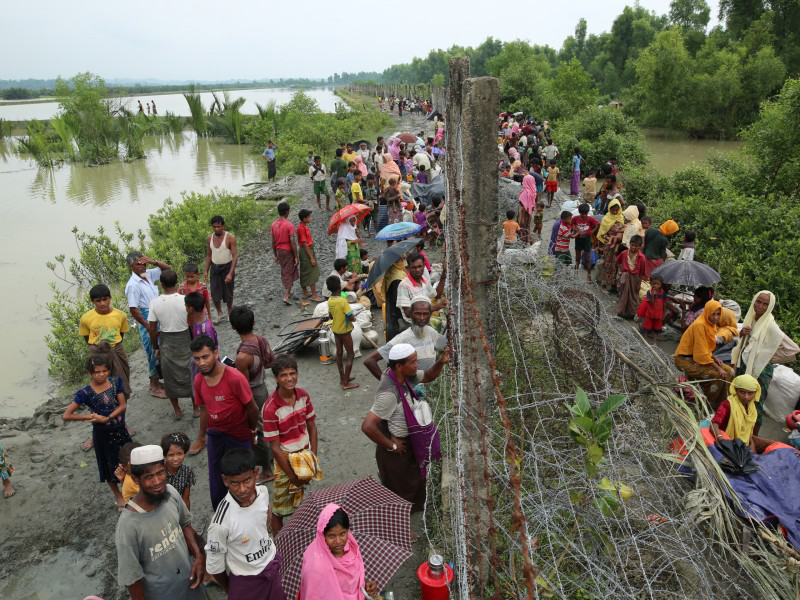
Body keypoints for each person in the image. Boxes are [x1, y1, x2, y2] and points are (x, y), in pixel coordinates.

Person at [361, 343, 449, 511]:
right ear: (399, 366)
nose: (417, 365)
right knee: (399, 491)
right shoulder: (389, 393)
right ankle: (400, 528)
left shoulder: (405, 377)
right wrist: (392, 445)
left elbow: (429, 376)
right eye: (413, 362)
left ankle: (411, 514)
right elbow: (368, 426)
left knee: (412, 483)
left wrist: (441, 362)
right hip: (397, 450)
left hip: (408, 444)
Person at [115, 445, 206, 600]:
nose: (157, 482)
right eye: (149, 477)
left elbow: (185, 525)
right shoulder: (128, 526)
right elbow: (132, 578)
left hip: (190, 582)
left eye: (160, 473)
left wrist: (198, 556)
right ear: (136, 479)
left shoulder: (170, 492)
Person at [190, 335, 260, 510]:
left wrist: (252, 431)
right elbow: (204, 409)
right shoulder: (199, 380)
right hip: (215, 434)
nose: (201, 363)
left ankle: (250, 510)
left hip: (238, 433)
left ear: (215, 353)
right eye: (197, 359)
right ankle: (221, 512)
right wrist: (201, 436)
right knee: (217, 475)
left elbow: (252, 409)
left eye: (205, 357)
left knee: (244, 474)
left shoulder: (234, 378)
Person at [205, 449, 284, 599]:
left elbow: (265, 520)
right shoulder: (220, 523)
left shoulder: (262, 491)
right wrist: (231, 589)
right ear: (225, 480)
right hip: (246, 581)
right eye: (235, 483)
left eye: (247, 480)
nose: (242, 489)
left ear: (256, 473)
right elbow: (215, 566)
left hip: (271, 566)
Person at [63, 356, 132, 509]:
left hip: (120, 430)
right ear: (89, 373)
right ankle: (118, 496)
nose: (102, 375)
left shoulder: (115, 382)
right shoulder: (85, 393)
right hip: (103, 436)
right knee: (109, 466)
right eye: (97, 372)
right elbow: (66, 415)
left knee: (129, 461)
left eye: (105, 370)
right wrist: (89, 416)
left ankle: (130, 489)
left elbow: (122, 405)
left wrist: (107, 418)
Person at [262, 354, 321, 533]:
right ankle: (279, 547)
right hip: (285, 459)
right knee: (279, 510)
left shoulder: (303, 396)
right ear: (276, 379)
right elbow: (275, 448)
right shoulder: (271, 408)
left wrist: (312, 458)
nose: (289, 378)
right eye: (284, 375)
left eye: (292, 373)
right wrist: (292, 475)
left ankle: (296, 538)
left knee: (299, 502)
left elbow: (312, 427)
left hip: (304, 455)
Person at [731, 291, 799, 434]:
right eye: (758, 301)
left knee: (755, 402)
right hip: (745, 363)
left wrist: (772, 356)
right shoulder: (752, 318)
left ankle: (753, 436)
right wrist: (743, 334)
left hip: (760, 369)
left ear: (770, 307)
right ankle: (738, 430)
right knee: (740, 397)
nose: (760, 306)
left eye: (765, 304)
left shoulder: (770, 325)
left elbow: (793, 348)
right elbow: (746, 343)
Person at [230, 305, 275, 482]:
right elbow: (271, 361)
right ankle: (270, 458)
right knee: (267, 425)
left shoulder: (242, 357)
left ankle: (267, 470)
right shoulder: (261, 340)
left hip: (253, 393)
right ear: (254, 322)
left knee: (257, 430)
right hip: (262, 387)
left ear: (233, 327)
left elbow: (243, 385)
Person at [299, 504, 378, 600]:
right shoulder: (316, 567)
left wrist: (364, 585)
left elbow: (350, 582)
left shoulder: (352, 550)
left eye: (342, 534)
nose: (338, 541)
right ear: (322, 535)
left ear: (348, 531)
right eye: (331, 536)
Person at [147, 269, 192, 420]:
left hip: (167, 340)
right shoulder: (185, 299)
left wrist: (156, 347)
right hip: (184, 338)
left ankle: (177, 410)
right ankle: (197, 407)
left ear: (161, 284)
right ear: (176, 282)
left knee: (169, 376)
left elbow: (153, 329)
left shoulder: (154, 303)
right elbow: (191, 322)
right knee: (190, 371)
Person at [364, 299, 447, 379]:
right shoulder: (402, 339)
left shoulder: (430, 332)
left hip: (429, 385)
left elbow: (445, 345)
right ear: (410, 314)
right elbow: (369, 361)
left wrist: (450, 324)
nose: (422, 318)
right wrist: (387, 382)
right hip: (411, 389)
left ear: (430, 315)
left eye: (425, 314)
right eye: (417, 314)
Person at [125, 251, 170, 398]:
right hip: (146, 318)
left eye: (144, 263)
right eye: (139, 264)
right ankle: (153, 385)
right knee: (152, 351)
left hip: (156, 315)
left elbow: (168, 269)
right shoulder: (133, 285)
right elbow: (133, 309)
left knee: (159, 348)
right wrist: (147, 326)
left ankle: (157, 382)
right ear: (131, 266)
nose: (143, 266)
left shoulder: (148, 275)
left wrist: (153, 261)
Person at [674, 300, 734, 409]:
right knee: (717, 375)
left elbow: (705, 348)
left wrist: (715, 358)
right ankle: (707, 402)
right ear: (707, 312)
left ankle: (721, 402)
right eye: (713, 314)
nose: (716, 317)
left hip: (697, 358)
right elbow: (701, 353)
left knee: (730, 372)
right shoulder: (700, 325)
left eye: (718, 314)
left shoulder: (710, 325)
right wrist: (718, 368)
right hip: (684, 359)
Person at [185, 291, 218, 420]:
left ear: (191, 309)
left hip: (207, 365)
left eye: (186, 306)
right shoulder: (196, 323)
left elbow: (211, 349)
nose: (185, 309)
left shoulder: (206, 327)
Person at [711, 375, 761, 451]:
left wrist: (752, 445)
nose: (746, 397)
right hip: (728, 442)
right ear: (735, 390)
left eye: (750, 393)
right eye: (742, 392)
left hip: (743, 444)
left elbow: (748, 431)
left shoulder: (752, 408)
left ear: (755, 393)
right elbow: (714, 425)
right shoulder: (727, 405)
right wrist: (723, 441)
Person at [326, 276, 359, 391]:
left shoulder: (330, 300)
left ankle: (343, 377)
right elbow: (351, 316)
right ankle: (345, 383)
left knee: (339, 353)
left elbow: (330, 315)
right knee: (350, 354)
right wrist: (353, 318)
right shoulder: (343, 301)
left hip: (335, 330)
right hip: (345, 331)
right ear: (340, 286)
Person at [204, 216, 237, 324]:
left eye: (219, 226)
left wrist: (230, 274)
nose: (216, 229)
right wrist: (206, 271)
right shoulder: (210, 238)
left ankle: (229, 311)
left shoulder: (230, 238)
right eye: (214, 227)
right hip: (215, 269)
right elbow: (209, 255)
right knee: (214, 293)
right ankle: (219, 313)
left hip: (227, 268)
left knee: (228, 292)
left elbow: (234, 256)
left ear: (223, 226)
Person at [396, 253, 446, 325]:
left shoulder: (424, 281)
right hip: (412, 325)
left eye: (420, 266)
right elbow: (407, 313)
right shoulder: (403, 285)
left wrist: (444, 274)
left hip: (425, 321)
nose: (417, 270)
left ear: (424, 266)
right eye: (414, 267)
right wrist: (434, 308)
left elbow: (437, 295)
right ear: (409, 268)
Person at [270, 202, 299, 306]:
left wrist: (275, 255)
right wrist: (296, 256)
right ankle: (286, 295)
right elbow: (292, 241)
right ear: (287, 212)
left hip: (279, 250)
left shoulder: (274, 224)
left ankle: (289, 291)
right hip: (287, 250)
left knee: (284, 269)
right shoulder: (289, 225)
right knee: (289, 271)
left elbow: (273, 241)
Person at [160, 432, 196, 510]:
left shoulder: (187, 472)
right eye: (171, 455)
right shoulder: (159, 473)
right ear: (165, 456)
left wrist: (186, 518)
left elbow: (185, 498)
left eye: (180, 453)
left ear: (185, 453)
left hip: (178, 508)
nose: (176, 458)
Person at [637, 274, 678, 340]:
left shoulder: (662, 293)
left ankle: (653, 332)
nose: (670, 287)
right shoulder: (650, 293)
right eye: (669, 285)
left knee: (662, 313)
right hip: (647, 318)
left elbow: (673, 300)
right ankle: (651, 332)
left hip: (650, 316)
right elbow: (675, 309)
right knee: (670, 313)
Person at [596, 199, 624, 291]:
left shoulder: (621, 218)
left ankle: (613, 286)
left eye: (616, 210)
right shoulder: (606, 219)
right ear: (609, 209)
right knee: (607, 265)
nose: (615, 212)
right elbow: (602, 234)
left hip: (618, 246)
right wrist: (609, 239)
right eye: (613, 210)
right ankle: (604, 284)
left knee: (616, 266)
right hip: (609, 246)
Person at [615, 235, 645, 319]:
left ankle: (632, 313)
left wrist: (639, 283)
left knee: (633, 296)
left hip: (635, 278)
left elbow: (642, 273)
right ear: (629, 244)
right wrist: (621, 268)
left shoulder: (642, 258)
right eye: (632, 245)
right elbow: (617, 261)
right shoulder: (624, 253)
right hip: (625, 275)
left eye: (636, 246)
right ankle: (621, 311)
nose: (633, 247)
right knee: (623, 294)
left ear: (640, 246)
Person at [296, 209, 323, 301]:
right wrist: (311, 257)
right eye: (309, 217)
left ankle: (305, 293)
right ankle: (314, 296)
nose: (311, 218)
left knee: (305, 271)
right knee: (311, 271)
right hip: (306, 251)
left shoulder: (303, 226)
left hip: (306, 250)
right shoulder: (301, 228)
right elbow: (304, 243)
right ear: (304, 219)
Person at [571, 204, 599, 282]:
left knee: (588, 258)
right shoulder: (575, 218)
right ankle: (575, 273)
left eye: (585, 214)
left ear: (587, 213)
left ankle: (589, 276)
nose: (583, 215)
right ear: (579, 212)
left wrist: (592, 232)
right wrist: (574, 229)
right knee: (577, 257)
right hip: (578, 239)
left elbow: (597, 224)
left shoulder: (590, 219)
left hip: (587, 239)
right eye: (582, 213)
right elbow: (571, 223)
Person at [517, 174, 537, 245]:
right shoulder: (533, 190)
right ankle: (530, 241)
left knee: (523, 227)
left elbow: (523, 206)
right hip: (530, 213)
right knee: (528, 227)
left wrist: (521, 218)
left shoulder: (525, 192)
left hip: (524, 214)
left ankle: (524, 243)